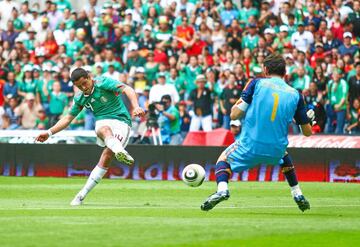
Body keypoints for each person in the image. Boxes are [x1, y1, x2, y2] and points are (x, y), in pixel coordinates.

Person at [201, 54, 314, 212]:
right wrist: (310, 120)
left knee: (224, 159)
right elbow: (307, 132)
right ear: (284, 72)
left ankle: (222, 190)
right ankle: (297, 193)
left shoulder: (256, 83)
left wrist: (239, 104)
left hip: (250, 145)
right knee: (284, 155)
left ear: (266, 70)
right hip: (276, 149)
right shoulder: (296, 94)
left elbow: (234, 115)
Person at [35, 68, 145, 206]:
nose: (83, 87)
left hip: (121, 121)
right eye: (78, 86)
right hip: (103, 122)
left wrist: (136, 106)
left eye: (84, 83)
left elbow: (127, 89)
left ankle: (82, 194)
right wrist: (49, 132)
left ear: (89, 77)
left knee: (106, 156)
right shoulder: (80, 97)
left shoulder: (103, 82)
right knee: (103, 129)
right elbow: (68, 118)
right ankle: (119, 151)